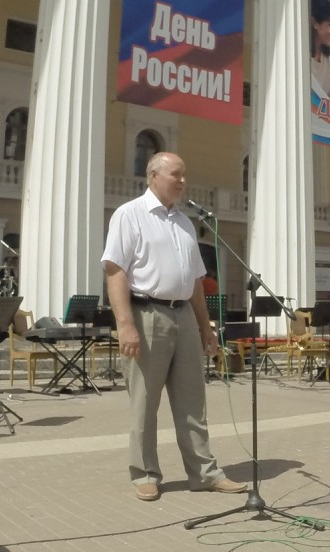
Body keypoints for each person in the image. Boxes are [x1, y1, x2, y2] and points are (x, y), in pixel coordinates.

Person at [101, 152, 247, 501]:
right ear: (153, 176)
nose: (182, 181)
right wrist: (125, 325)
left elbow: (195, 281)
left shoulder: (184, 222)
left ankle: (204, 473)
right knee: (144, 402)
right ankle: (145, 473)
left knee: (193, 401)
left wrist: (205, 327)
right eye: (175, 175)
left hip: (183, 315)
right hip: (146, 315)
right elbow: (115, 270)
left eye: (184, 176)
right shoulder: (130, 214)